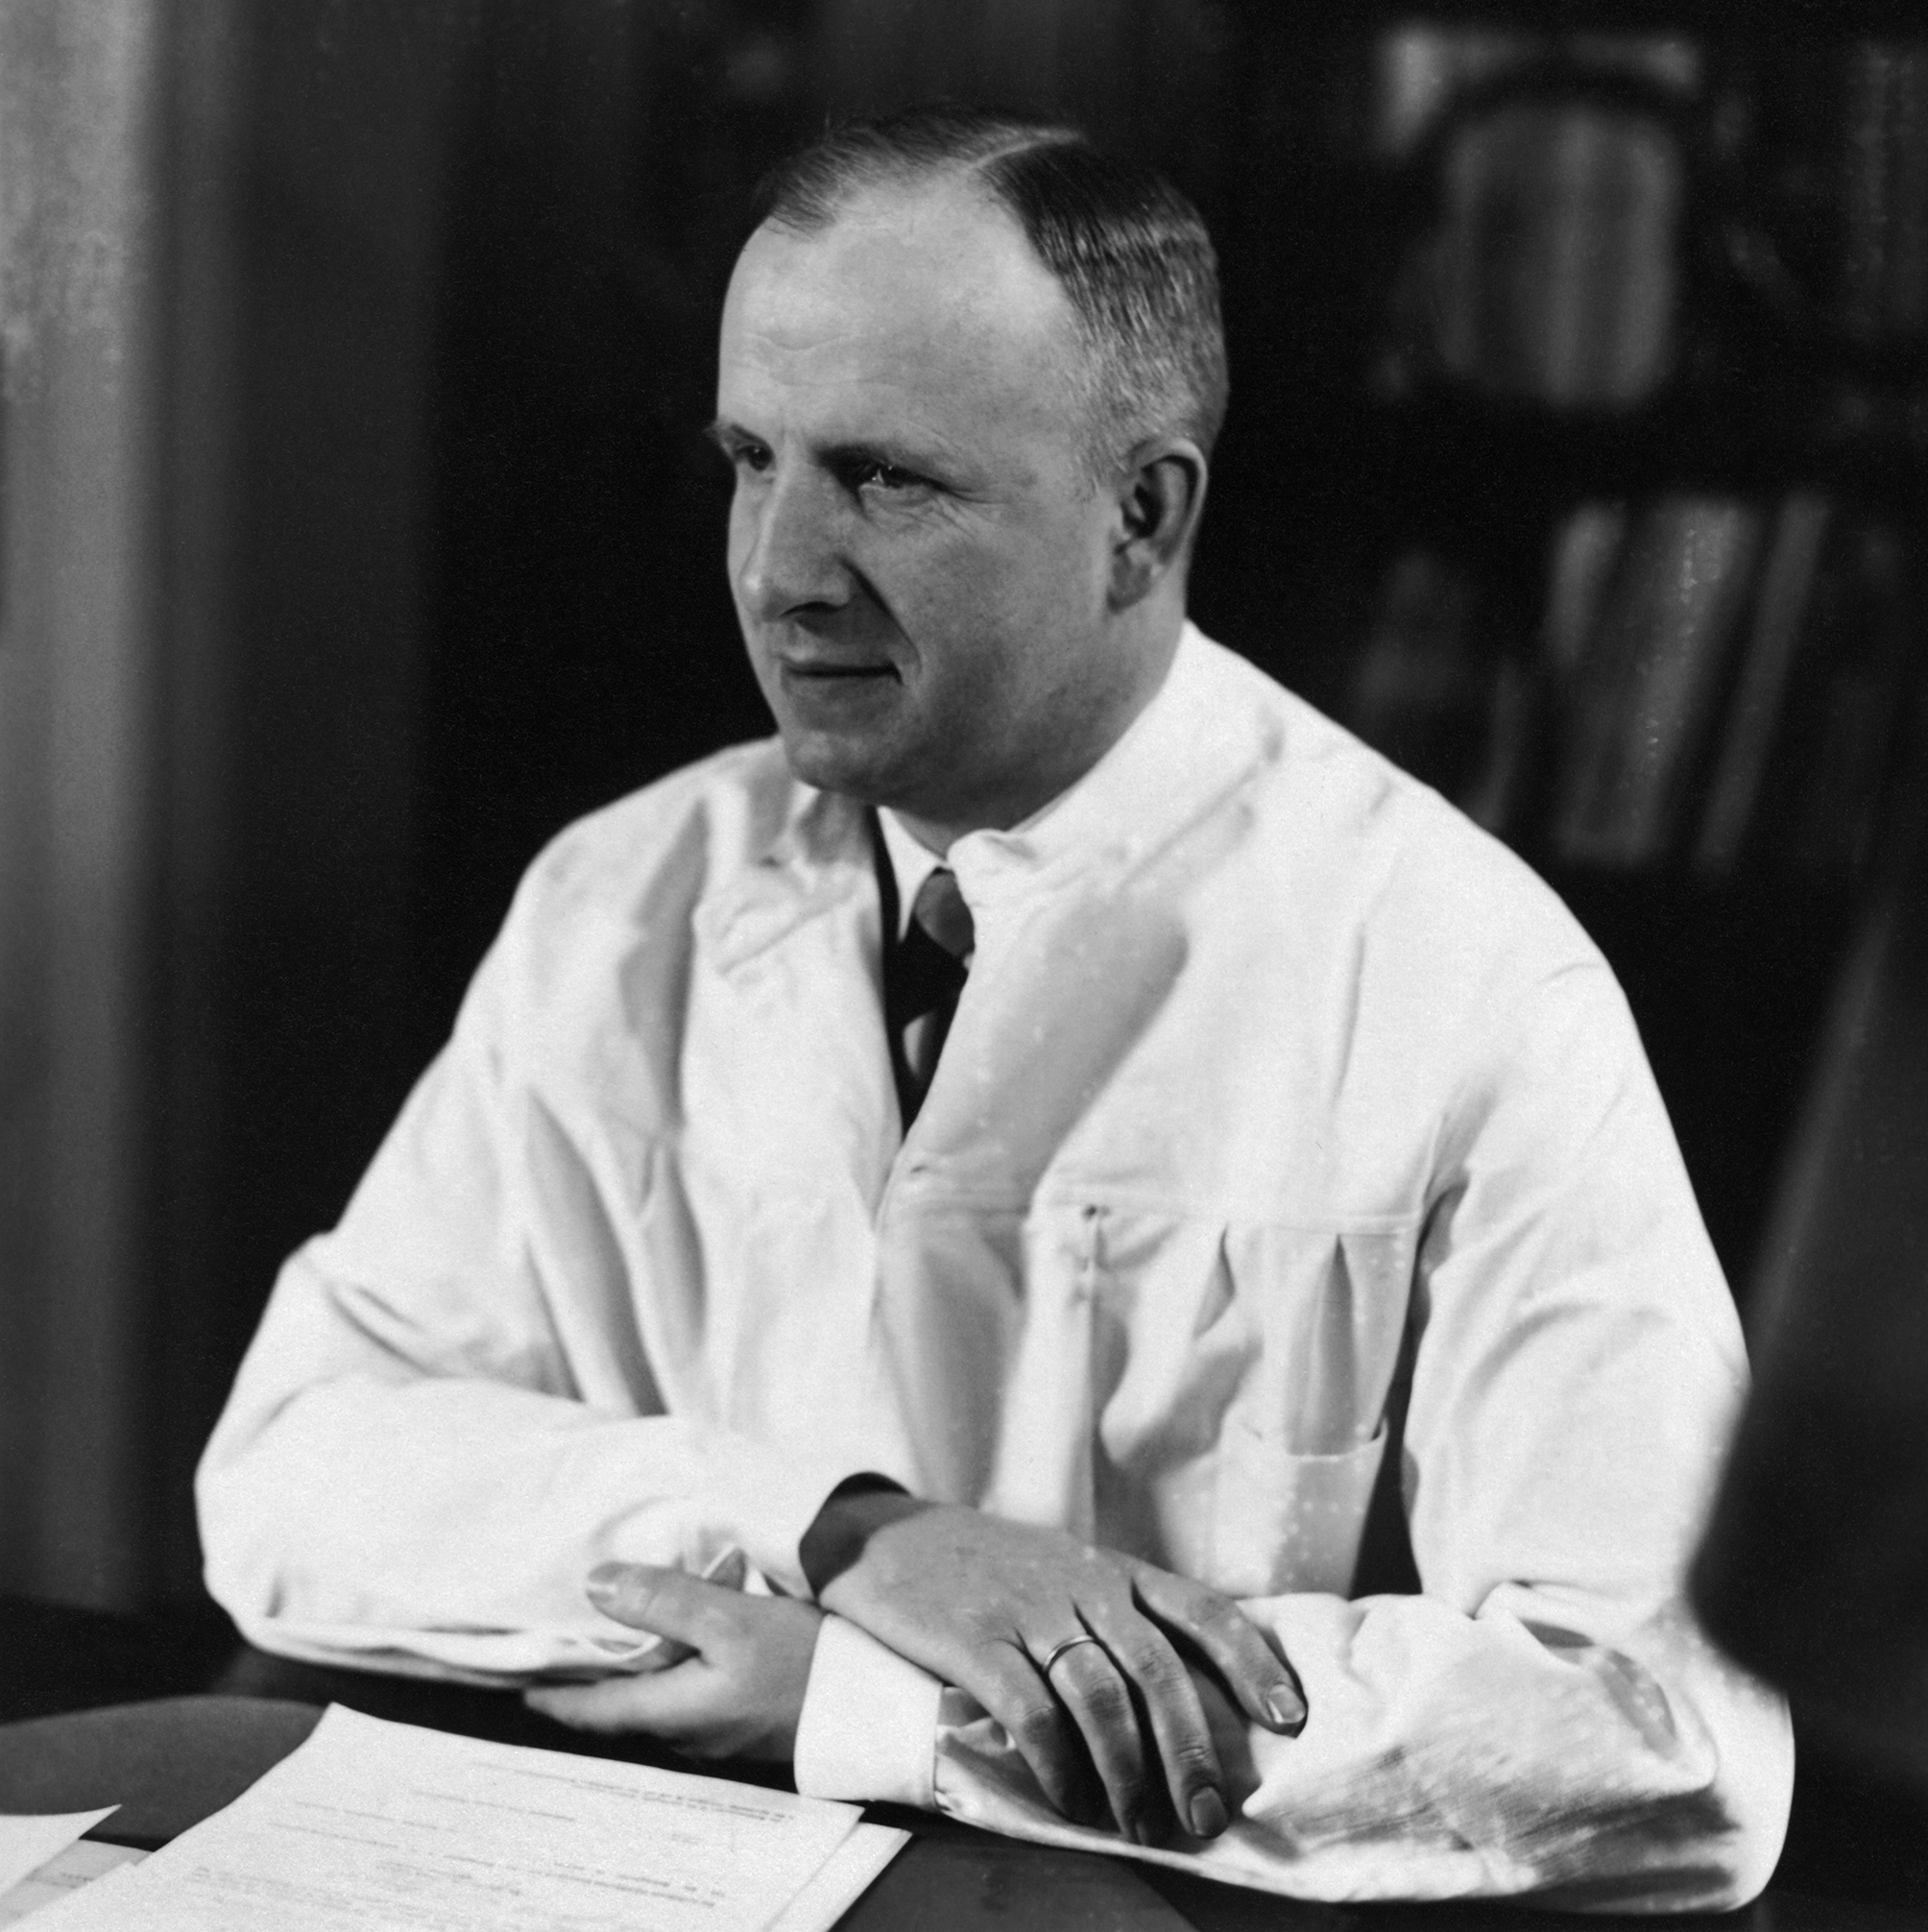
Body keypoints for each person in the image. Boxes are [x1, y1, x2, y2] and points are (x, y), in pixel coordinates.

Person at [198, 106, 1793, 1906]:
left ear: (1142, 514)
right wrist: (843, 1532)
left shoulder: (1460, 975)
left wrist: (872, 1704)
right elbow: (293, 1472)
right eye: (749, 458)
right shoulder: (628, 895)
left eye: (887, 480)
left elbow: (1668, 1741)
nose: (780, 569)